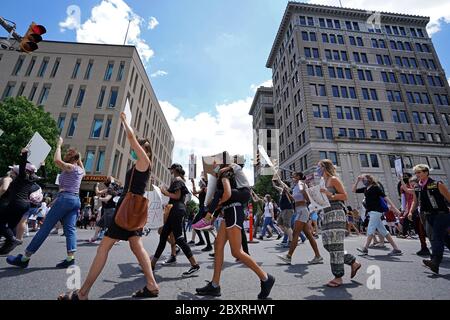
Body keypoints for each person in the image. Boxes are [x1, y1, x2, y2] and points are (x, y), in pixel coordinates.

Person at [56, 112, 158, 300]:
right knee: (137, 247)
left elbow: (130, 138)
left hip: (127, 211)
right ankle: (151, 285)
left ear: (146, 151)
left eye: (139, 148)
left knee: (103, 248)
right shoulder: (140, 164)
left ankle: (83, 293)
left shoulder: (144, 161)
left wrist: (126, 122)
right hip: (132, 212)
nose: (135, 150)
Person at [195, 163, 275, 299]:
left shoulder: (225, 175)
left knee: (236, 251)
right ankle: (215, 285)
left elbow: (227, 193)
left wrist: (217, 204)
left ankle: (266, 278)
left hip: (233, 210)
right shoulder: (224, 177)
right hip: (229, 212)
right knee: (218, 245)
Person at [7, 137, 85, 268]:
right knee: (70, 230)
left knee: (45, 228)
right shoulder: (81, 171)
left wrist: (59, 145)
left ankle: (25, 258)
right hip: (75, 200)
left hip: (65, 199)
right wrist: (79, 158)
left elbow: (56, 160)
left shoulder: (70, 167)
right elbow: (80, 166)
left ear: (72, 160)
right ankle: (70, 258)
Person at [315, 160, 361, 287]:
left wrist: (331, 194)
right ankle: (353, 262)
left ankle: (338, 277)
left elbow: (344, 196)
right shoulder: (322, 182)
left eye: (318, 167)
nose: (317, 169)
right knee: (327, 244)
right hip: (326, 213)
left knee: (335, 245)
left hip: (336, 213)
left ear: (324, 167)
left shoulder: (333, 179)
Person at [151, 163, 200, 277]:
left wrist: (164, 192)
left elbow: (177, 196)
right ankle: (152, 264)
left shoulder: (177, 179)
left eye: (171, 170)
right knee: (163, 236)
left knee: (178, 238)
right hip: (175, 209)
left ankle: (194, 264)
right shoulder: (180, 179)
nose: (170, 171)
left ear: (174, 170)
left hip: (176, 209)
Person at [411, 164, 450, 274]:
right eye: (416, 173)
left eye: (419, 172)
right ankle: (435, 261)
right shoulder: (417, 187)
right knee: (443, 238)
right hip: (428, 215)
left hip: (441, 214)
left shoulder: (437, 184)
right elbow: (415, 201)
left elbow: (449, 198)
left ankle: (435, 261)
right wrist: (410, 211)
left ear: (426, 172)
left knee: (436, 237)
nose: (417, 175)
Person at [277, 172, 323, 265]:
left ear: (298, 177)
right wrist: (287, 193)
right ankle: (318, 256)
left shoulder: (301, 184)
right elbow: (294, 200)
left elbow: (307, 197)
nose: (292, 177)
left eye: (293, 176)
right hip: (299, 210)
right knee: (309, 235)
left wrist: (306, 195)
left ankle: (288, 256)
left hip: (302, 210)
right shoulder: (295, 187)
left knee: (295, 233)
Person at [0, 148, 39, 254]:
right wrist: (42, 166)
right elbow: (42, 176)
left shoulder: (21, 178)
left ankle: (13, 240)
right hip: (25, 205)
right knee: (11, 225)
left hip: (16, 203)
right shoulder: (31, 180)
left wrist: (24, 154)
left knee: (1, 223)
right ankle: (6, 247)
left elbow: (22, 167)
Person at [353, 174, 402, 256]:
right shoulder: (366, 189)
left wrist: (395, 208)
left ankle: (365, 248)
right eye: (363, 180)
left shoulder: (375, 187)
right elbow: (354, 190)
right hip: (371, 211)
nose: (363, 181)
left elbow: (385, 197)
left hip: (376, 211)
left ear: (369, 179)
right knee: (383, 231)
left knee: (370, 228)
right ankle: (396, 249)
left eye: (364, 179)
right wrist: (358, 181)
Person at [190, 174, 213, 251]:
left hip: (204, 210)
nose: (200, 182)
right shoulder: (204, 190)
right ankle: (203, 241)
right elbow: (195, 193)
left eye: (202, 180)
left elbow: (195, 192)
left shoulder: (205, 189)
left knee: (203, 227)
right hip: (202, 209)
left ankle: (209, 245)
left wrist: (193, 183)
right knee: (195, 225)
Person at [272, 177, 294, 247]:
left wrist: (278, 178)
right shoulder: (282, 190)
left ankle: (291, 241)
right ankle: (291, 235)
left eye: (282, 184)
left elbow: (282, 184)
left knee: (287, 225)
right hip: (283, 210)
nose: (280, 185)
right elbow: (275, 186)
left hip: (288, 209)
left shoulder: (288, 190)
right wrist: (272, 181)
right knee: (279, 224)